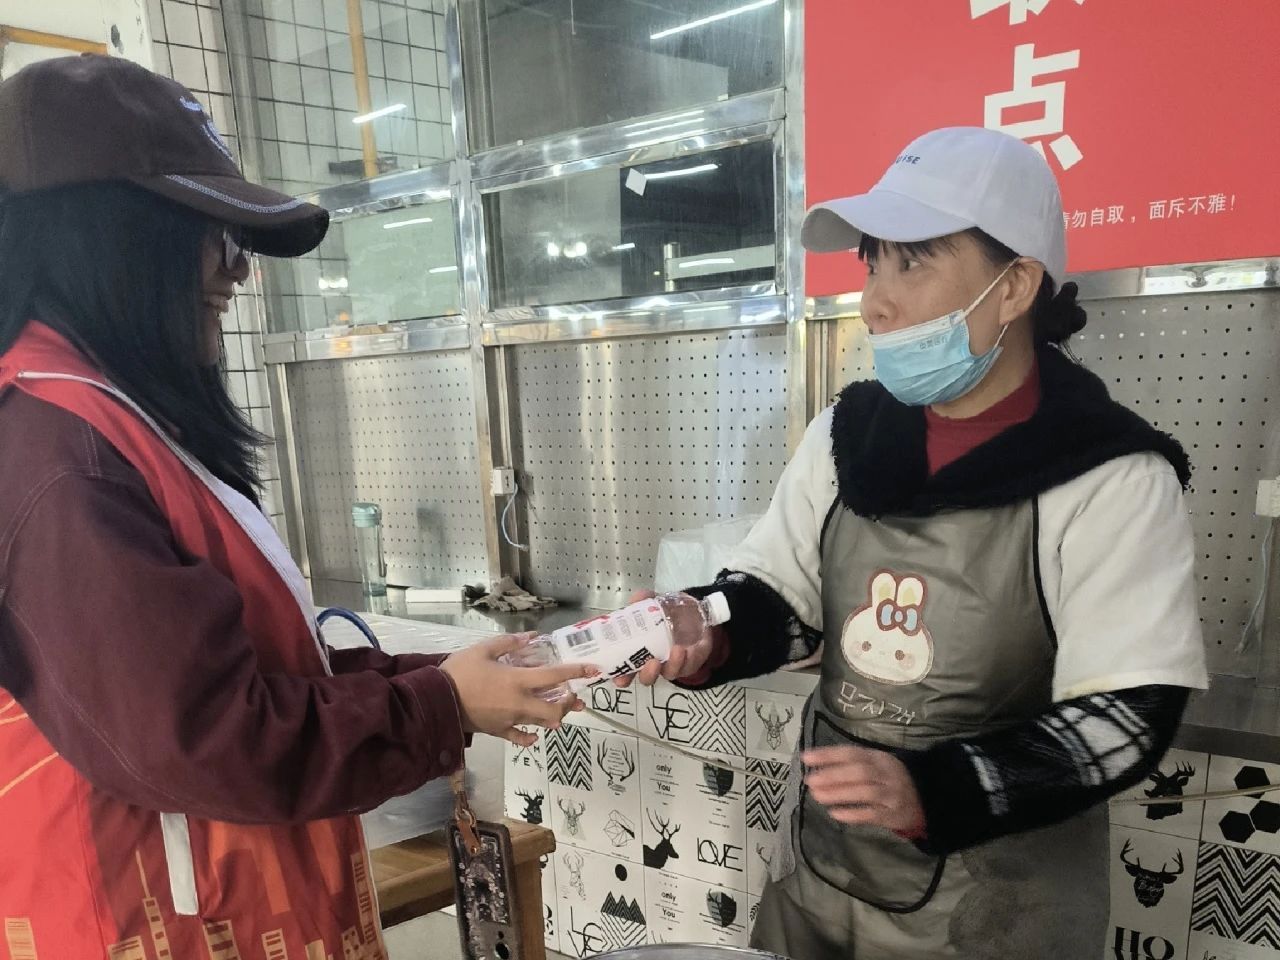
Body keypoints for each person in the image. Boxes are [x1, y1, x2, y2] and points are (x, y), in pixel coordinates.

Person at [0, 55, 591, 959]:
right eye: (211, 234)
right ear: (106, 238)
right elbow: (209, 736)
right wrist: (439, 705)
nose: (238, 270)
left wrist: (443, 677)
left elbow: (238, 672)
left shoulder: (105, 420)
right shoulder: (59, 454)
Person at [625, 127, 1208, 959]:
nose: (875, 301)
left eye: (913, 264)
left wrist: (936, 790)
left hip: (999, 915)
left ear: (1014, 288)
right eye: (873, 265)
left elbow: (1126, 715)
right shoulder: (848, 435)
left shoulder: (1110, 477)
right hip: (822, 883)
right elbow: (783, 602)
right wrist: (709, 627)